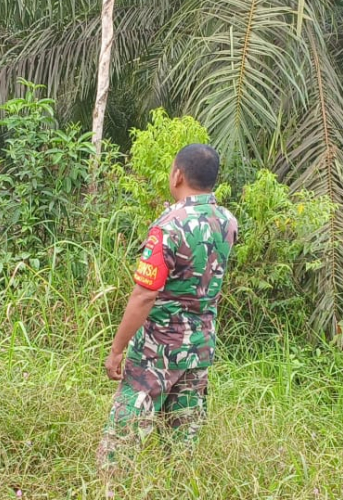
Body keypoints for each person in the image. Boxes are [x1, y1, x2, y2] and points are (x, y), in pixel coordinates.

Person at [97, 144, 238, 467]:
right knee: (182, 444)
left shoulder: (169, 226)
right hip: (200, 347)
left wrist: (117, 349)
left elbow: (144, 295)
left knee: (121, 443)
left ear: (177, 175)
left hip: (157, 351)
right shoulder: (228, 221)